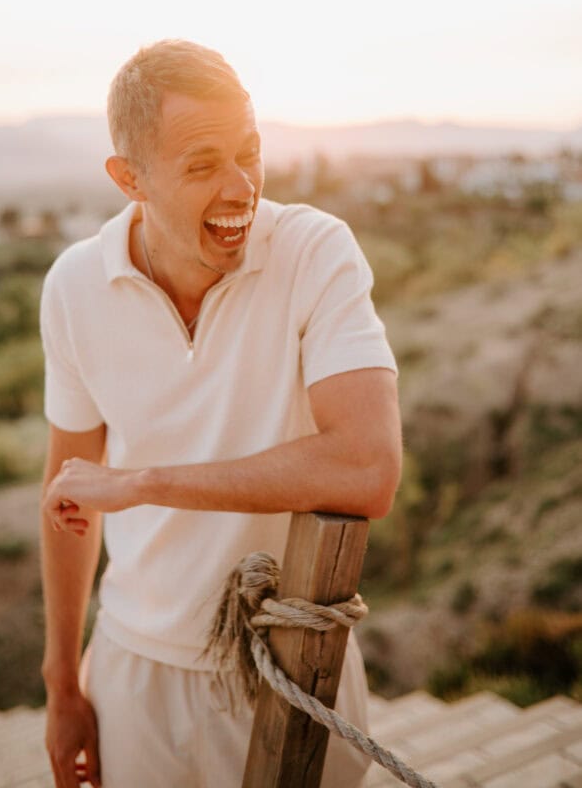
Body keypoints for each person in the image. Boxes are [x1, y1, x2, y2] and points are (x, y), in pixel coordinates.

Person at [39, 39, 402, 788]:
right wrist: (61, 686)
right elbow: (67, 497)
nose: (240, 187)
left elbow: (368, 468)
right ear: (128, 178)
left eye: (249, 153)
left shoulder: (314, 251)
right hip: (134, 676)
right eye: (202, 165)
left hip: (300, 663)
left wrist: (144, 482)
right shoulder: (74, 285)